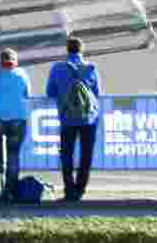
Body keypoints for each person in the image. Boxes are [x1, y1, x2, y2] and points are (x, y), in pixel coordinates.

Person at [46, 37, 102, 202]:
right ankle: (81, 189)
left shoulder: (57, 68)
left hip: (67, 117)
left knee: (67, 154)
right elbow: (97, 93)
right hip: (88, 119)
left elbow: (50, 91)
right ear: (81, 50)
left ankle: (69, 189)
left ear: (67, 49)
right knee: (86, 154)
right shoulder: (91, 68)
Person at [0, 48, 30, 202]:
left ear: (1, 61)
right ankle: (9, 192)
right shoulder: (22, 74)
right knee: (13, 156)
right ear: (15, 61)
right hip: (17, 119)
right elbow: (27, 93)